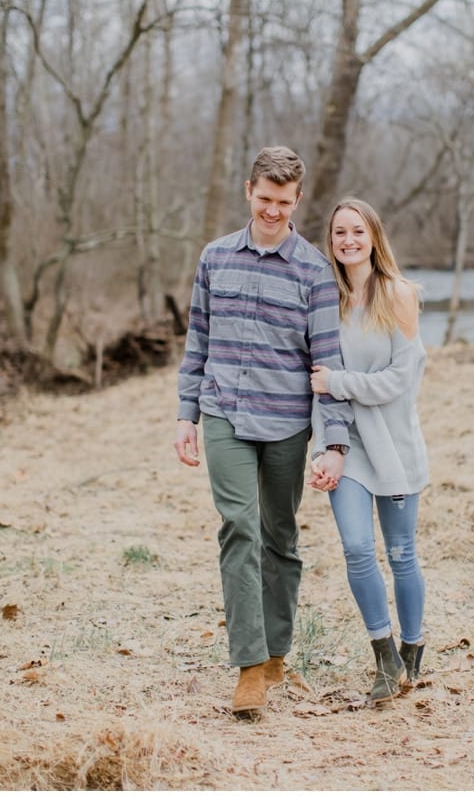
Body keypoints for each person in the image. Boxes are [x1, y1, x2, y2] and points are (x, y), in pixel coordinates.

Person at [174, 146, 352, 717]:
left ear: (298, 199)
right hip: (224, 410)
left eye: (284, 201)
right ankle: (250, 665)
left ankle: (278, 650)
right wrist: (187, 414)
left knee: (280, 537)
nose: (272, 210)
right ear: (248, 190)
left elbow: (326, 365)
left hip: (285, 423)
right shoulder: (215, 258)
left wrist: (334, 441)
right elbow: (197, 339)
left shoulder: (314, 273)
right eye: (264, 198)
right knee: (239, 527)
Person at [306, 198, 430, 706]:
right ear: (331, 241)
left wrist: (340, 382)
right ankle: (385, 659)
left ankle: (413, 650)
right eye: (339, 233)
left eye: (357, 231)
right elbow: (313, 382)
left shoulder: (399, 295)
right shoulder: (323, 300)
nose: (348, 240)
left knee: (401, 555)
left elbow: (402, 380)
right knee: (358, 549)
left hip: (395, 445)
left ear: (374, 236)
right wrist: (328, 444)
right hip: (348, 445)